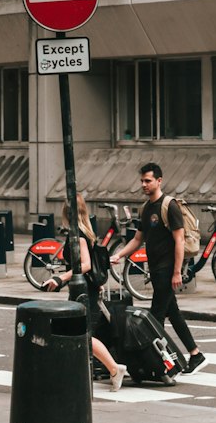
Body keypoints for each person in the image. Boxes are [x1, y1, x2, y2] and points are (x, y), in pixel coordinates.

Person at [112, 161, 206, 376]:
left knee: (154, 319)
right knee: (173, 313)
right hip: (154, 270)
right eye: (142, 181)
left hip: (166, 270)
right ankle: (195, 354)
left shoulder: (169, 206)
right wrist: (118, 255)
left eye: (148, 180)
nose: (144, 184)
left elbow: (179, 240)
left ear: (159, 181)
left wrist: (176, 272)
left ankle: (155, 363)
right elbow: (137, 239)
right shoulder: (146, 208)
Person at [44, 193, 126, 390]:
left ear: (66, 211)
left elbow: (86, 264)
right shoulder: (84, 231)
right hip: (83, 289)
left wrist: (60, 278)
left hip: (84, 291)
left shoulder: (77, 235)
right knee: (72, 333)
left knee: (82, 335)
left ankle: (115, 368)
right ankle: (70, 373)